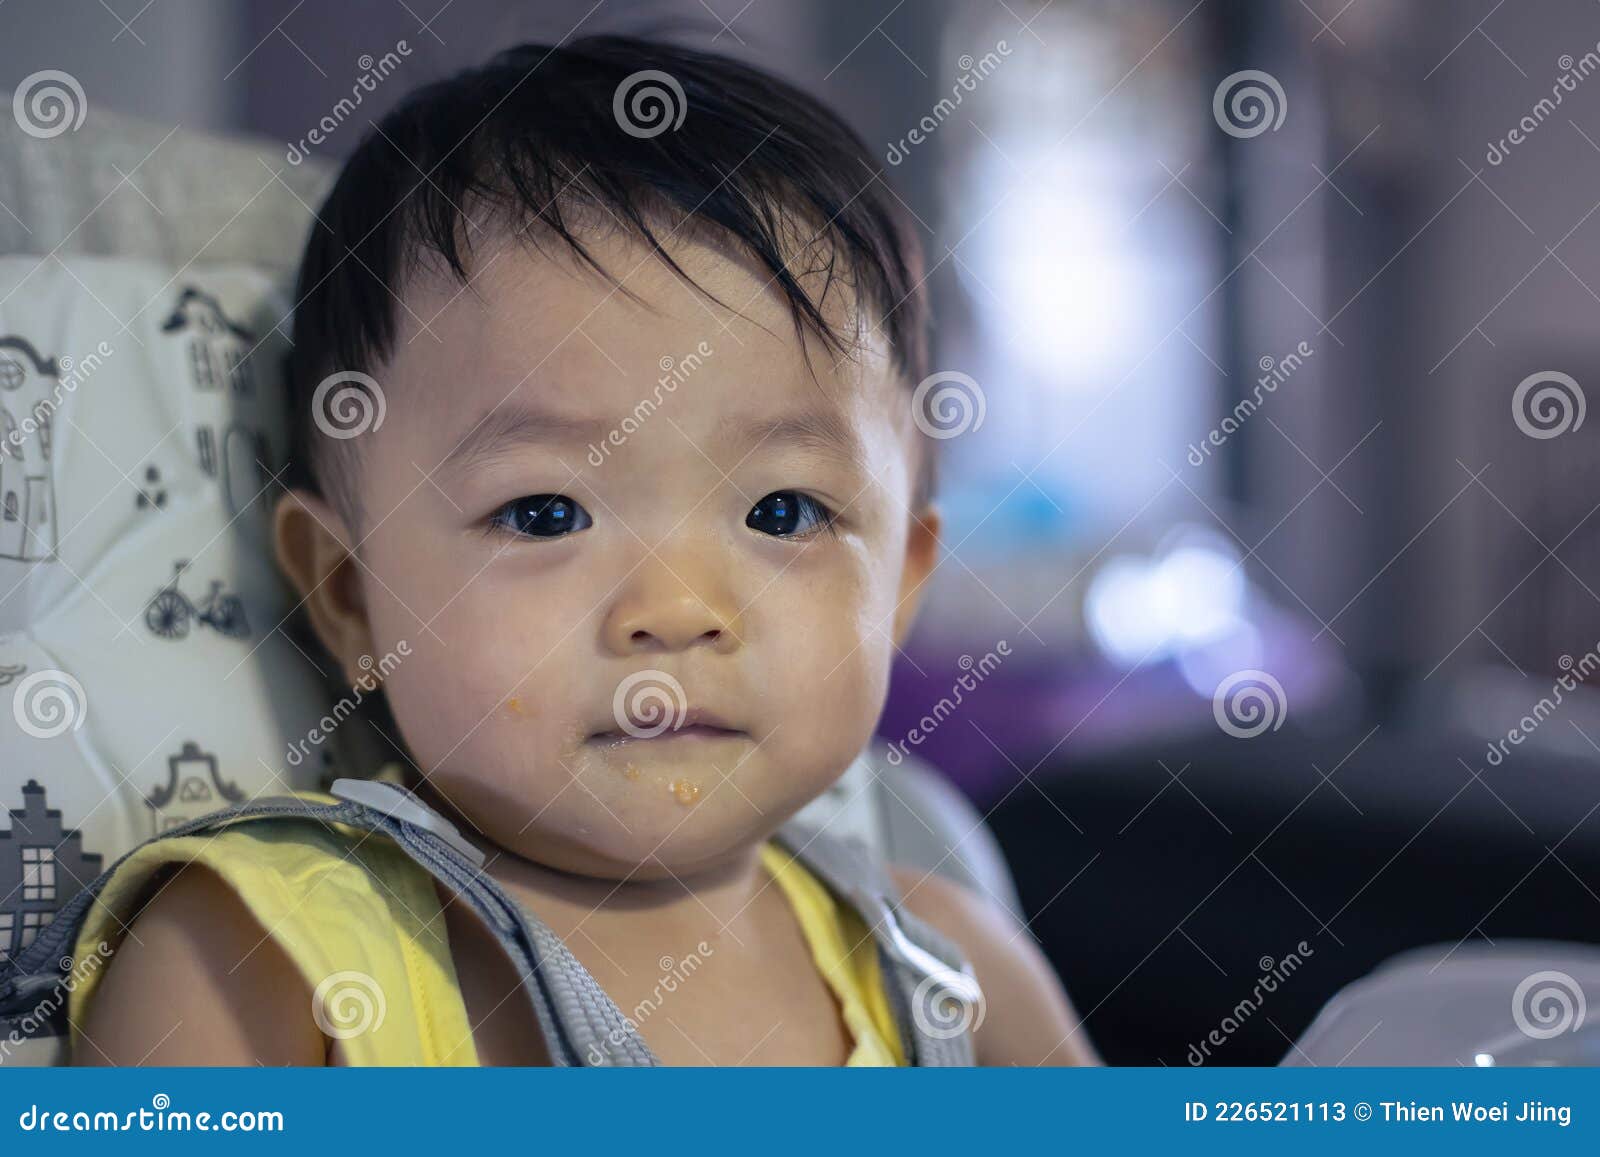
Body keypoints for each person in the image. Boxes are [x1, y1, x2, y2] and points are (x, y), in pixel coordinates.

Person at [71, 35, 1096, 1067]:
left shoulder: (951, 971)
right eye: (546, 514)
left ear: (900, 585)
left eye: (784, 512)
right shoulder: (262, 963)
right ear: (347, 593)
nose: (678, 608)